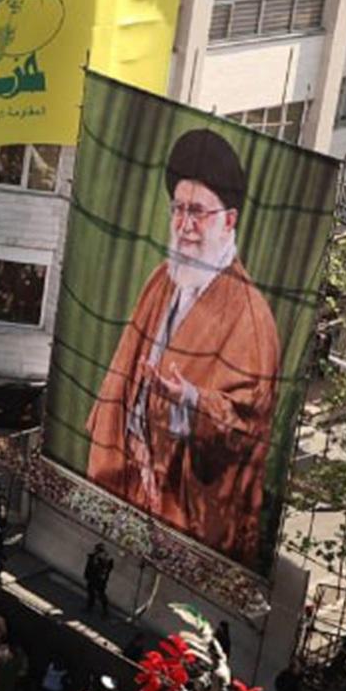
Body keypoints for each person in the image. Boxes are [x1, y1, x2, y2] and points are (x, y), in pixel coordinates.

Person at [83, 128, 282, 554]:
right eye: (178, 209)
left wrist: (190, 401)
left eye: (198, 212)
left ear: (229, 220)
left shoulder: (251, 317)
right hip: (128, 482)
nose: (186, 225)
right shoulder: (163, 278)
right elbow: (123, 371)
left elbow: (247, 429)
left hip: (181, 509)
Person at [84, 542, 114, 617]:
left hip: (99, 579)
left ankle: (105, 611)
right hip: (93, 577)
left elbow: (106, 569)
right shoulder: (94, 556)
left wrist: (102, 577)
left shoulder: (105, 559)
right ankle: (90, 607)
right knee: (91, 592)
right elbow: (89, 566)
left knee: (101, 594)